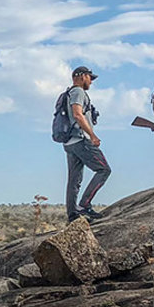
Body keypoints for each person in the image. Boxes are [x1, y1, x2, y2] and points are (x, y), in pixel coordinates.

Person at [62, 65, 111, 222]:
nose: (91, 81)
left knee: (74, 180)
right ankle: (84, 206)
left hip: (70, 142)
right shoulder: (78, 92)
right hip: (81, 140)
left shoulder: (68, 93)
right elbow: (77, 114)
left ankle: (73, 215)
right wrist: (92, 135)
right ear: (82, 76)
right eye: (90, 78)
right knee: (104, 170)